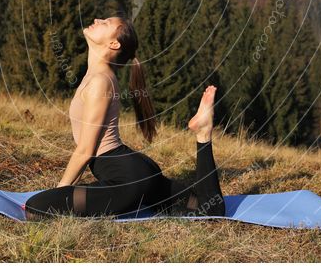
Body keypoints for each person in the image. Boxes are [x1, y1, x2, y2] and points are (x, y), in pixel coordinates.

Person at [22, 15, 226, 220]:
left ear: (113, 43)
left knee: (36, 208)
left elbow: (85, 150)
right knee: (210, 209)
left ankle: (203, 133)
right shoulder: (98, 76)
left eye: (106, 22)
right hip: (135, 170)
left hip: (126, 177)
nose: (97, 19)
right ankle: (203, 134)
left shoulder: (100, 82)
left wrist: (59, 192)